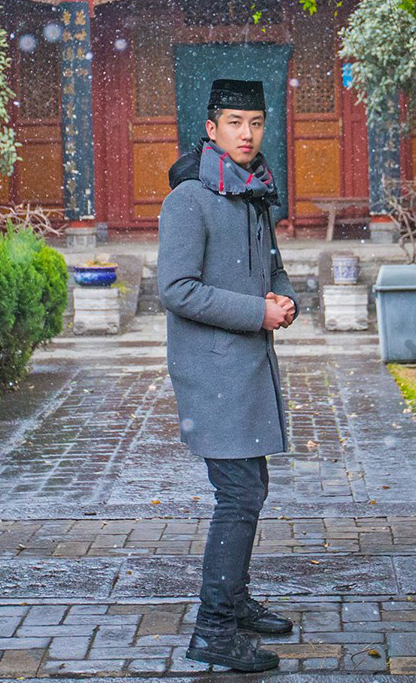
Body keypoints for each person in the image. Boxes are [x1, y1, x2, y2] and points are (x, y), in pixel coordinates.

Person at [157, 78, 299, 673]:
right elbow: (176, 289)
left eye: (256, 123)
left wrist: (285, 300)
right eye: (235, 122)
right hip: (211, 370)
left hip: (248, 368)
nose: (247, 133)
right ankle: (213, 630)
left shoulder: (254, 193)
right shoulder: (189, 200)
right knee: (239, 494)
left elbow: (273, 269)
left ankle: (234, 604)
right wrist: (255, 313)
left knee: (250, 488)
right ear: (211, 129)